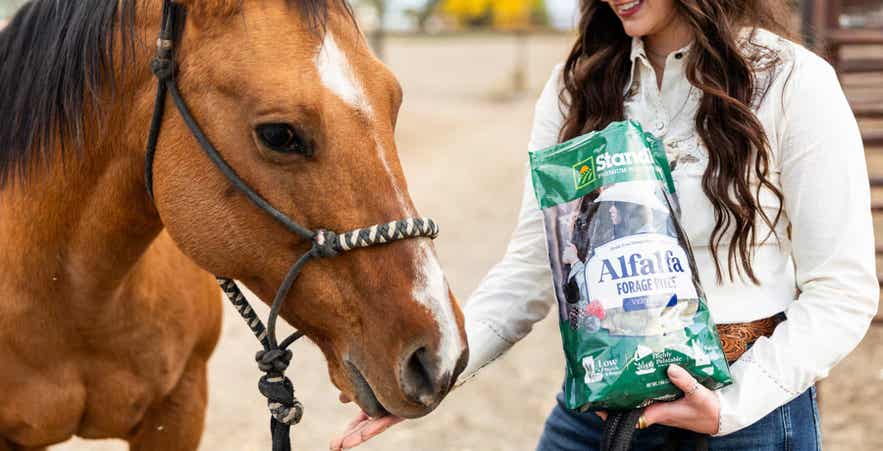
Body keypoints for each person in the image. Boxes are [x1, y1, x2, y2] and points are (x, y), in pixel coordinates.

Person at [330, 0, 879, 449]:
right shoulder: (578, 86)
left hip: (746, 419)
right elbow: (529, 269)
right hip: (599, 412)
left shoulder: (791, 82)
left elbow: (842, 292)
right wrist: (434, 376)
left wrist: (731, 407)